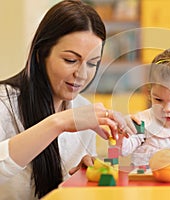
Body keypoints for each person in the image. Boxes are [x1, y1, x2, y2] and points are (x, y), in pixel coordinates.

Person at [0, 1, 134, 199]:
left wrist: (79, 177)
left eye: (92, 63)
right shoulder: (4, 103)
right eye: (71, 60)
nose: (81, 74)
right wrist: (60, 122)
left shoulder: (83, 109)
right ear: (40, 54)